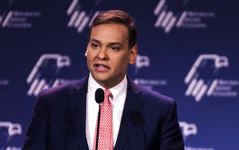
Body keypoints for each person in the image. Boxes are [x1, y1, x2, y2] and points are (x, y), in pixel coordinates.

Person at [23, 10, 184, 150]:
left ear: (132, 54)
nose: (101, 55)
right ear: (87, 49)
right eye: (95, 45)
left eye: (113, 48)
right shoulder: (52, 103)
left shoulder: (160, 110)